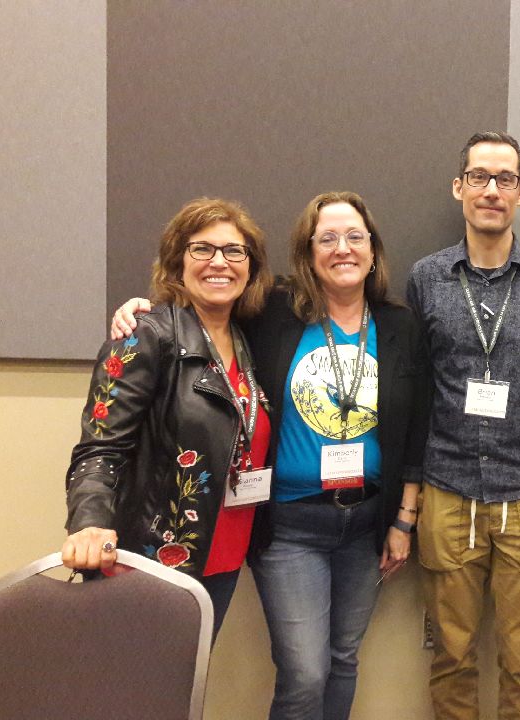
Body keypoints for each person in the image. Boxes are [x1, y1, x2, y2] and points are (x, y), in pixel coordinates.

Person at [111, 191, 430, 720]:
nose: (342, 248)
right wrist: (141, 309)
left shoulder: (401, 327)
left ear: (373, 250)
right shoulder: (274, 314)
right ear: (307, 252)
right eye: (327, 238)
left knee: (344, 659)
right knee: (305, 672)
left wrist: (404, 518)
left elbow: (417, 427)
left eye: (355, 236)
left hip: (368, 523)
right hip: (289, 526)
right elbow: (204, 306)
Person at [406, 131, 520, 720]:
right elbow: (412, 393)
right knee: (451, 656)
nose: (492, 190)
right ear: (459, 187)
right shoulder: (426, 278)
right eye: (480, 177)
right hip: (446, 488)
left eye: (505, 179)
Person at [64, 197, 274, 641]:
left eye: (234, 251)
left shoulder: (247, 338)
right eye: (202, 249)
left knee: (184, 690)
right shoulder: (144, 333)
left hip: (224, 557)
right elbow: (100, 447)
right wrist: (88, 524)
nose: (220, 262)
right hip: (150, 558)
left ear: (250, 268)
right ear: (178, 261)